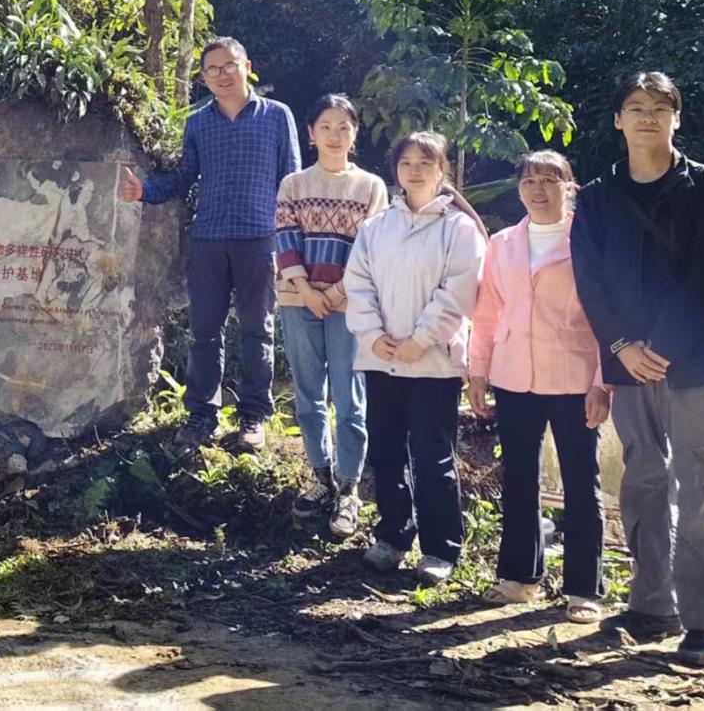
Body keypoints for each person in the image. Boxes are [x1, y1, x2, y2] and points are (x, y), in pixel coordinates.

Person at [570, 71, 704, 668]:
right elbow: (589, 280)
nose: (647, 117)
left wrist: (660, 346)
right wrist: (621, 345)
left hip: (694, 359)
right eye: (635, 107)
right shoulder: (595, 197)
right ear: (617, 119)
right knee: (643, 478)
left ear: (677, 117)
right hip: (625, 363)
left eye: (660, 107)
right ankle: (651, 603)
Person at [120, 38, 301, 449]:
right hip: (209, 239)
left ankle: (253, 417)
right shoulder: (199, 122)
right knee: (205, 332)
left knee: (258, 330)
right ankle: (202, 415)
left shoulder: (277, 116)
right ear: (203, 78)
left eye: (228, 65)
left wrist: (291, 246)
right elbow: (185, 178)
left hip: (260, 239)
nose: (221, 74)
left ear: (247, 66)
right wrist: (143, 192)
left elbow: (291, 183)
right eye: (212, 69)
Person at [467, 151, 610, 623]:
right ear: (519, 188)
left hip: (573, 376)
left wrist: (601, 383)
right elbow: (487, 313)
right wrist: (478, 371)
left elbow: (606, 318)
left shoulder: (591, 241)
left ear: (571, 188)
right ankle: (519, 578)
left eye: (551, 180)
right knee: (520, 477)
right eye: (530, 180)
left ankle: (584, 588)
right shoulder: (503, 242)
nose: (539, 188)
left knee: (580, 481)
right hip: (513, 376)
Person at [344, 131, 486, 583]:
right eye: (407, 162)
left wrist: (420, 340)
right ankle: (392, 535)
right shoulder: (376, 227)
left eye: (426, 162)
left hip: (434, 363)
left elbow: (459, 292)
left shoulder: (458, 229)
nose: (416, 170)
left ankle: (440, 548)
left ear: (442, 169)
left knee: (431, 455)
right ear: (396, 170)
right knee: (385, 451)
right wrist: (374, 333)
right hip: (380, 357)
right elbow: (358, 283)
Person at [274, 93, 386, 535]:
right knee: (308, 393)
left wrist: (338, 292)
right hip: (298, 299)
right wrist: (306, 289)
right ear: (311, 134)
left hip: (349, 305)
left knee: (350, 398)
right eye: (326, 126)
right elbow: (285, 237)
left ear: (354, 134)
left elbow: (371, 248)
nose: (335, 135)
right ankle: (319, 476)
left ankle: (349, 488)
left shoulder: (371, 187)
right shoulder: (294, 184)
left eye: (344, 127)